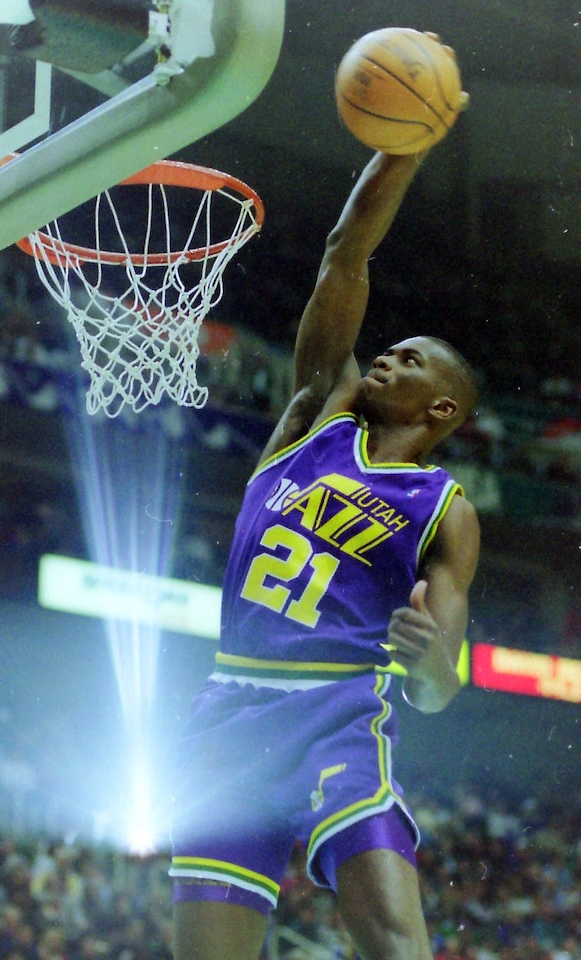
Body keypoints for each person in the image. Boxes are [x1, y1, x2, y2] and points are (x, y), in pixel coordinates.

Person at [169, 49, 479, 960]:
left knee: (391, 937)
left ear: (443, 410)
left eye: (412, 359)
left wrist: (428, 665)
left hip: (335, 713)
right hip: (228, 712)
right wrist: (407, 148)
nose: (388, 356)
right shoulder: (314, 420)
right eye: (391, 347)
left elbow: (439, 689)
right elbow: (348, 255)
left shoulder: (444, 508)